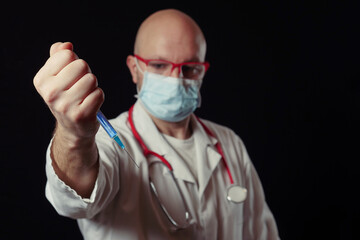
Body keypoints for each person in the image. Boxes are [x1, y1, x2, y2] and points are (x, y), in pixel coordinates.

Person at [33, 9, 280, 240]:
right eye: (160, 65)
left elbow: (262, 232)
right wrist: (74, 135)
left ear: (203, 71)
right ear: (134, 68)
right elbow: (71, 200)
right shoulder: (106, 142)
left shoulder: (230, 143)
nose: (176, 79)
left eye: (189, 68)